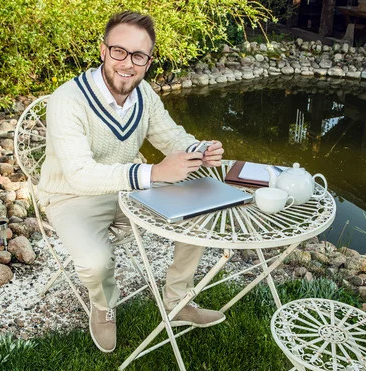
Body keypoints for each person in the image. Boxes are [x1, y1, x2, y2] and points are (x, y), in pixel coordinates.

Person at [38, 11, 226, 353]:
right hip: (70, 195)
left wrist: (200, 149)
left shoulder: (145, 95)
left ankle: (176, 300)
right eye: (119, 51)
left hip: (129, 187)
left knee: (200, 209)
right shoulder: (67, 100)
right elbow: (80, 173)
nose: (127, 63)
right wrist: (153, 173)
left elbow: (170, 137)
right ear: (102, 51)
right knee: (95, 262)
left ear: (148, 61)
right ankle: (103, 305)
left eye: (138, 55)